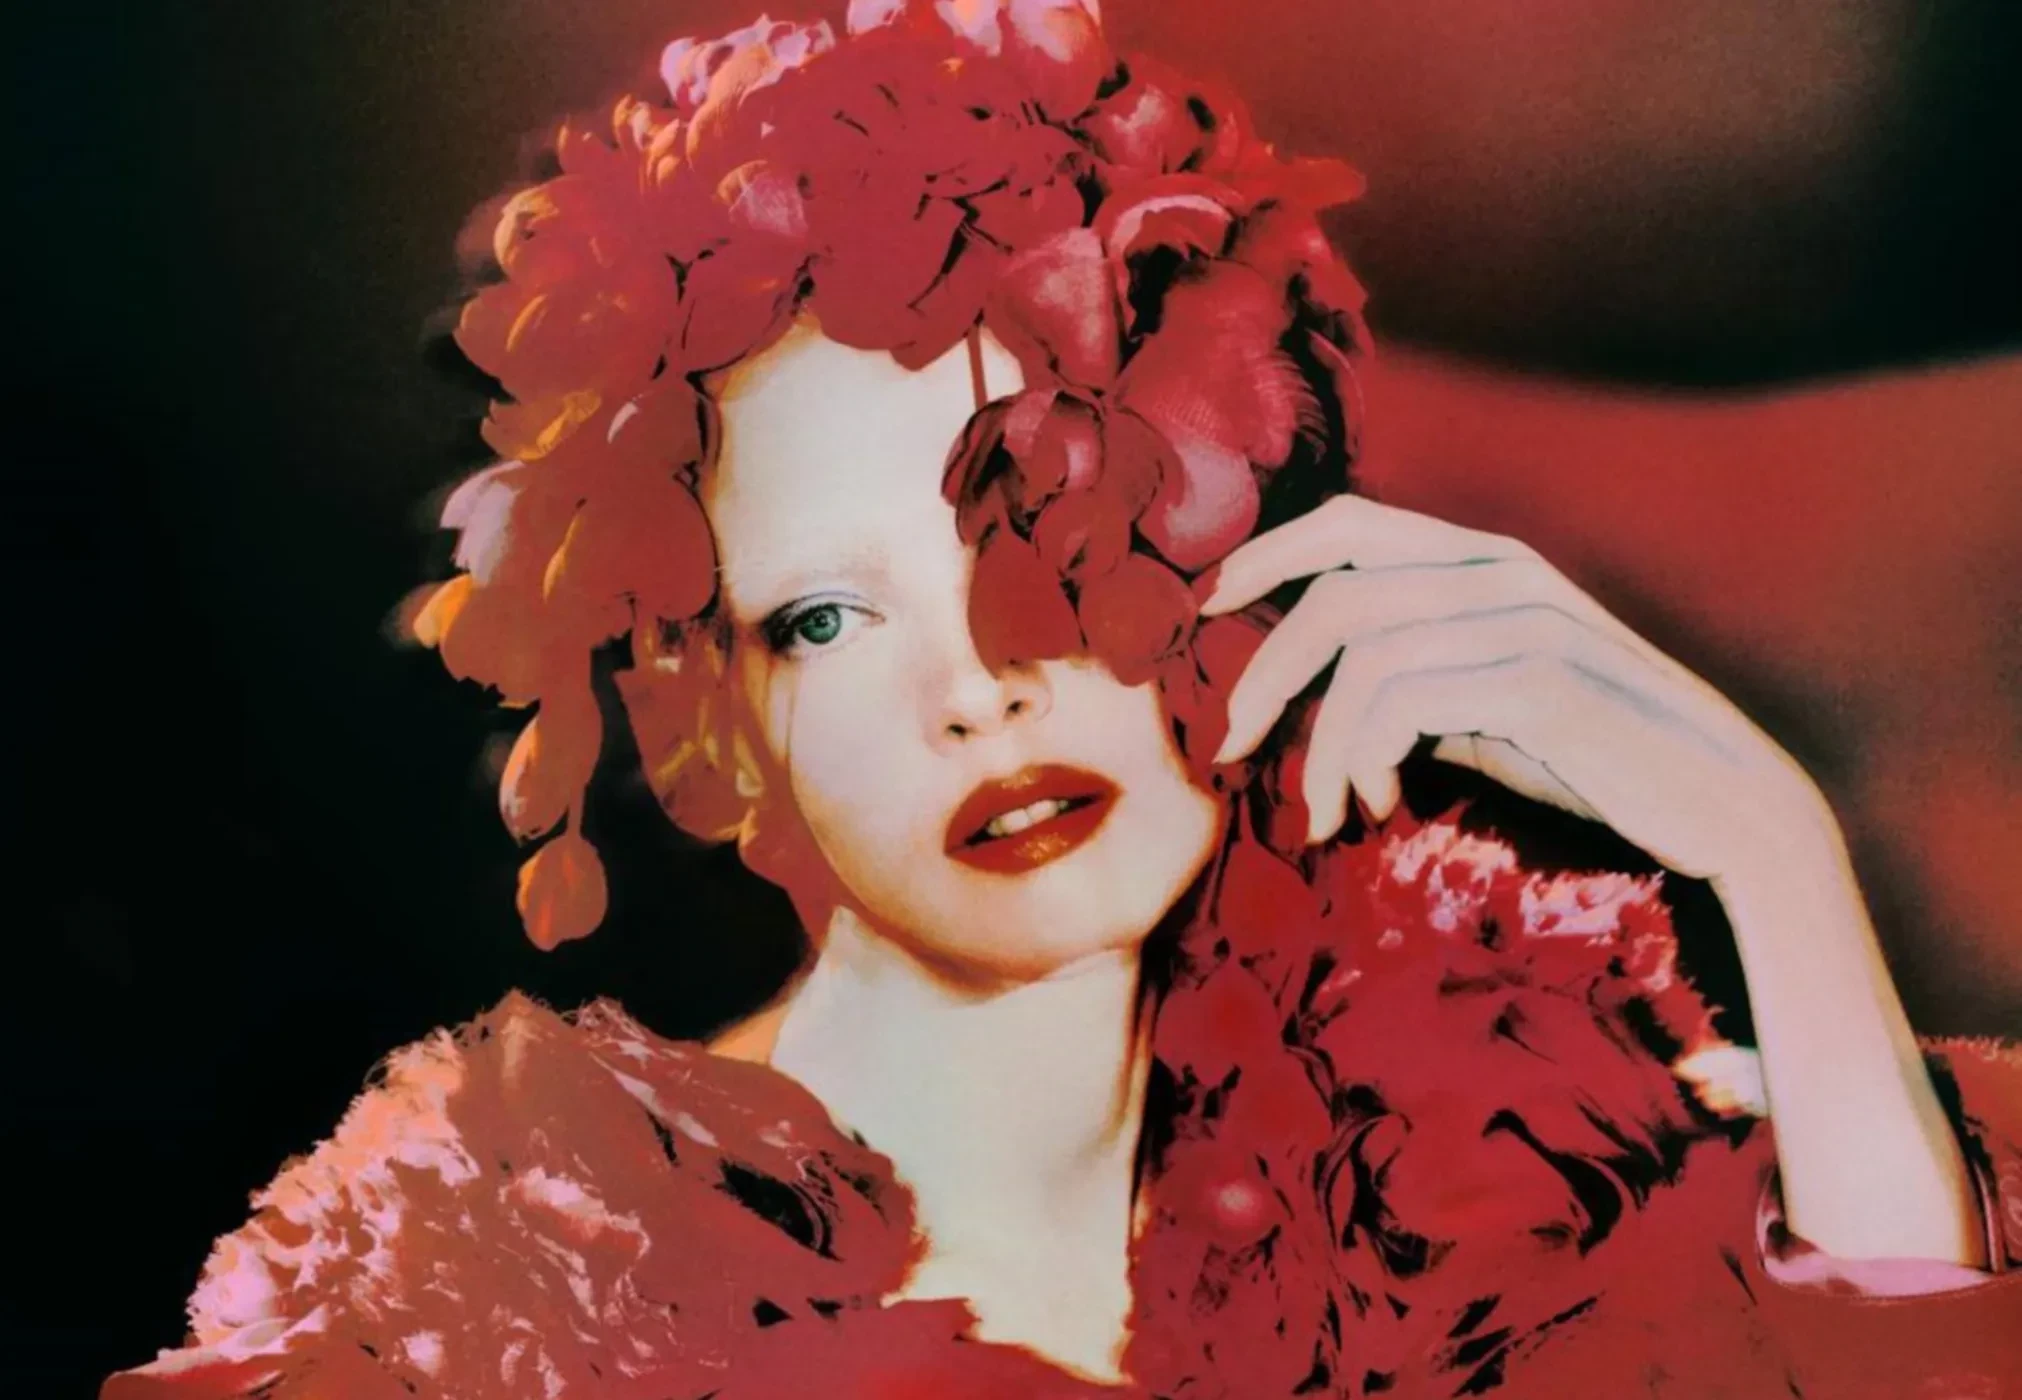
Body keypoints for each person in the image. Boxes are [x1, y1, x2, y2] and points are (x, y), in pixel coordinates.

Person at [103, 2, 2020, 1396]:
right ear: (716, 716)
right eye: (824, 619)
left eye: (1045, 526)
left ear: (1238, 531)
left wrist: (1776, 859)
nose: (976, 690)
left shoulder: (1521, 1122)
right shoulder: (487, 1300)